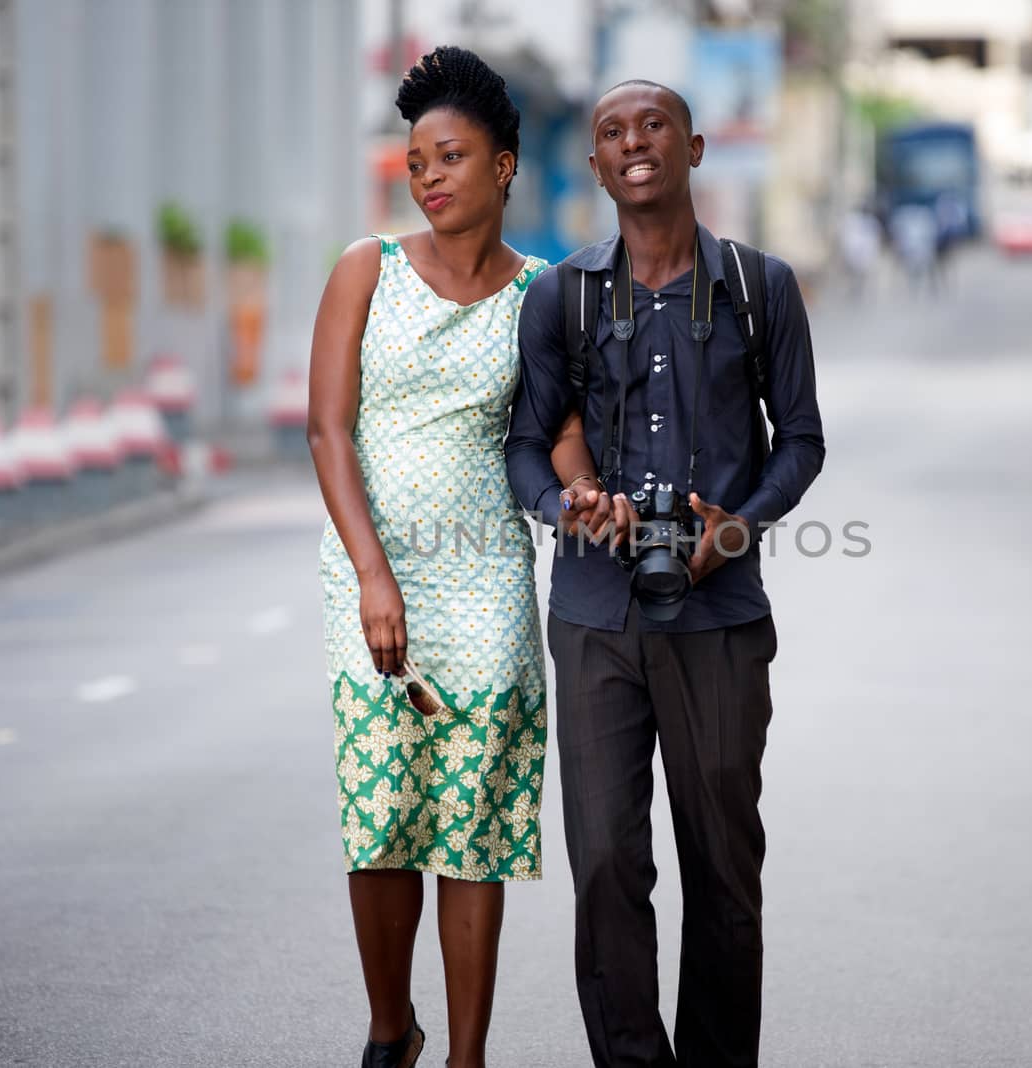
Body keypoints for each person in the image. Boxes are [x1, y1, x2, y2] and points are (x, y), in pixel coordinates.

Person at [505, 80, 826, 1066]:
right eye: (611, 133)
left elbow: (802, 443)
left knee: (724, 872)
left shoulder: (759, 286)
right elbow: (524, 447)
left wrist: (744, 526)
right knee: (604, 864)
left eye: (652, 126)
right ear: (597, 166)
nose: (632, 142)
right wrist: (569, 508)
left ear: (692, 147)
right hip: (596, 611)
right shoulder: (560, 295)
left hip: (721, 615)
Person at [308, 46, 599, 1068]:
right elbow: (328, 432)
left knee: (471, 820)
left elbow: (558, 438)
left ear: (505, 165)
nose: (428, 177)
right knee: (382, 809)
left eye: (451, 157)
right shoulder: (367, 269)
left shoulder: (545, 294)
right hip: (374, 574)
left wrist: (587, 498)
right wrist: (374, 577)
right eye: (416, 162)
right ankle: (393, 1032)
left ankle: (468, 1057)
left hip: (487, 579)